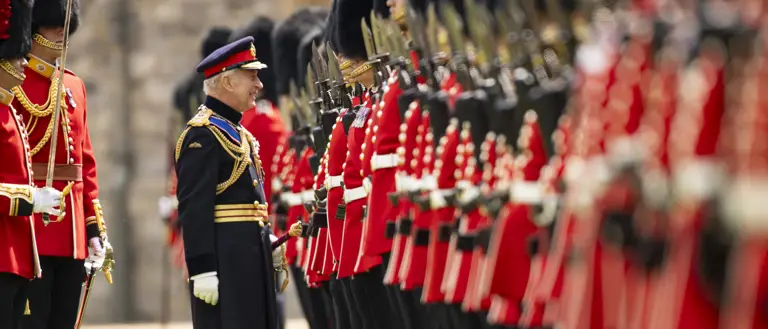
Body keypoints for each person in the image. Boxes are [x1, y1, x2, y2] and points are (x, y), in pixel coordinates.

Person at [175, 36, 283, 329]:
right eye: (252, 76)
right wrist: (202, 269)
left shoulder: (240, 134)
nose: (259, 85)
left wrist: (267, 240)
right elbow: (194, 208)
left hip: (250, 258)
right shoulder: (202, 135)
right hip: (224, 265)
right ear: (228, 82)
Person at [16, 1, 112, 328]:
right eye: (52, 25)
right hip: (31, 226)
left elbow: (85, 165)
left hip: (71, 232)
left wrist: (93, 228)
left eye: (64, 25)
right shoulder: (13, 83)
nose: (61, 31)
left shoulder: (74, 85)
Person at [0, 0, 63, 327]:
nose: (24, 61)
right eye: (16, 55)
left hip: (16, 258)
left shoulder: (9, 111)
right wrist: (29, 200)